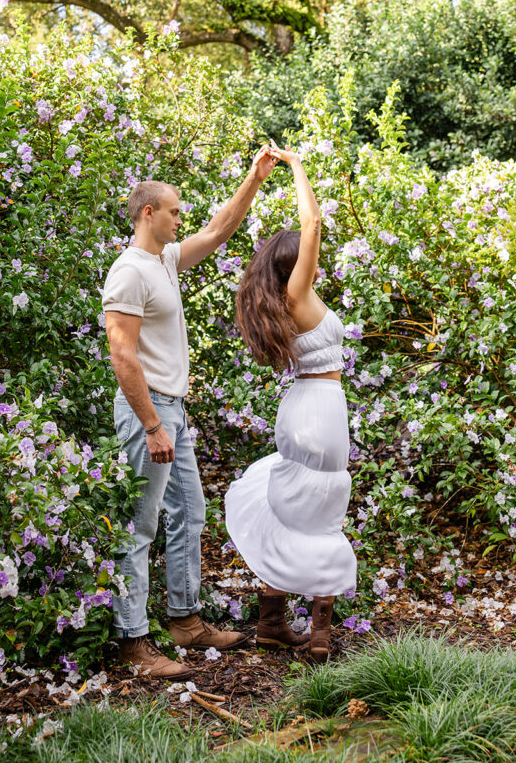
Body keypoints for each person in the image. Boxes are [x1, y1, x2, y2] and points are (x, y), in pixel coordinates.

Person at [103, 148, 276, 678]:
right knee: (140, 525)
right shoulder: (129, 272)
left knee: (190, 512)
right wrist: (152, 423)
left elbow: (220, 230)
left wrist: (254, 178)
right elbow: (121, 352)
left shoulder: (164, 261)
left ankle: (185, 620)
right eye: (174, 211)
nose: (181, 219)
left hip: (172, 411)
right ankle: (133, 643)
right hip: (148, 412)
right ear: (148, 213)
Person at [226, 139, 357, 663]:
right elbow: (312, 225)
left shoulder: (279, 303)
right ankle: (319, 635)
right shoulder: (298, 296)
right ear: (293, 265)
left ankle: (272, 623)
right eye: (305, 258)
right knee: (322, 511)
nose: (315, 259)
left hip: (299, 405)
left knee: (290, 506)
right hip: (321, 407)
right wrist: (297, 166)